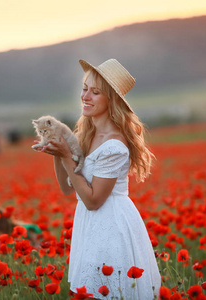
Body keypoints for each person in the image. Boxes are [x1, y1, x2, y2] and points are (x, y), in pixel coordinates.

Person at [35, 59, 161, 298]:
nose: (86, 96)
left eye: (95, 92)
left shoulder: (114, 143)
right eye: (85, 88)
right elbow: (67, 189)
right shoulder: (86, 134)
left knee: (110, 291)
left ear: (111, 100)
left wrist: (66, 156)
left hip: (111, 225)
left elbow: (93, 200)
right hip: (90, 224)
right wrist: (58, 151)